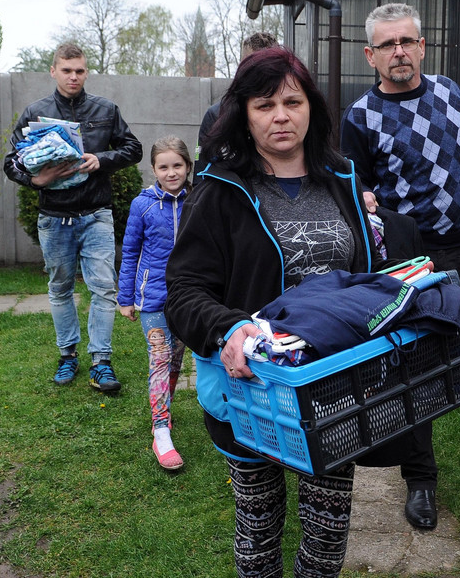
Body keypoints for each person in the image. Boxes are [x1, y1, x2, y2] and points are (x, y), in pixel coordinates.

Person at [165, 47, 380, 578]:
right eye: (264, 105)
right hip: (252, 390)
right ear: (243, 114)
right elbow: (184, 290)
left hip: (333, 383)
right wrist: (229, 326)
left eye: (292, 100)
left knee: (328, 530)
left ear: (313, 108)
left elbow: (366, 273)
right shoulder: (219, 190)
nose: (281, 115)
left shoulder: (342, 178)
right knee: (259, 526)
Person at [339, 2, 460, 531]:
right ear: (371, 55)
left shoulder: (450, 93)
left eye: (406, 41)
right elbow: (355, 184)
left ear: (423, 45)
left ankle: (406, 440)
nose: (399, 52)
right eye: (387, 45)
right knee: (416, 368)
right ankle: (421, 482)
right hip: (408, 260)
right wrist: (363, 198)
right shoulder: (359, 117)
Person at [4, 42, 142, 393]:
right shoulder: (34, 113)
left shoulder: (106, 109)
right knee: (60, 289)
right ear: (53, 71)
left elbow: (133, 149)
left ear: (86, 72)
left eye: (79, 70)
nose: (73, 77)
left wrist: (102, 159)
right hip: (54, 218)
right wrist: (36, 179)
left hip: (96, 214)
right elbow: (11, 161)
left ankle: (101, 362)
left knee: (103, 289)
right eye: (67, 70)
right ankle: (68, 356)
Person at [117, 136, 191, 471]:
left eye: (177, 165)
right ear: (153, 170)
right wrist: (125, 297)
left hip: (189, 298)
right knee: (160, 359)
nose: (171, 172)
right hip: (153, 300)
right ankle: (161, 430)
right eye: (164, 166)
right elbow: (130, 252)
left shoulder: (199, 201)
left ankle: (165, 410)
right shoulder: (142, 205)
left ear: (188, 166)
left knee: (176, 361)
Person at [197, 31, 279, 147]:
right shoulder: (215, 116)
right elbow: (199, 156)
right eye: (253, 67)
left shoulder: (290, 115)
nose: (261, 75)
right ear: (242, 67)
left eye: (268, 66)